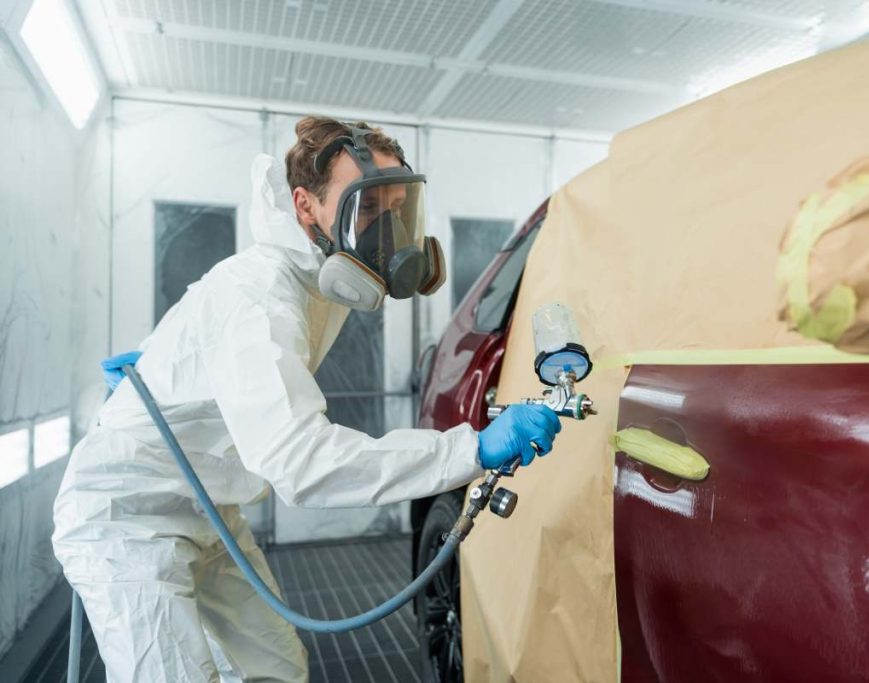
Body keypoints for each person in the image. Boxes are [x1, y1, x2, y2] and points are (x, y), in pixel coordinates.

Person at [52, 117, 561, 683]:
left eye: (396, 209)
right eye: (368, 211)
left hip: (209, 510)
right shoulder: (260, 293)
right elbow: (301, 462)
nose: (387, 233)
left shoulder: (319, 279)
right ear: (305, 206)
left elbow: (222, 344)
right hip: (126, 515)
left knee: (275, 667)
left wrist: (161, 362)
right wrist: (471, 449)